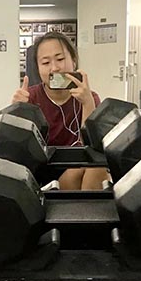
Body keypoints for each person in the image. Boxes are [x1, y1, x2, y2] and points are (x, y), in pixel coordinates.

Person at [11, 31, 109, 190]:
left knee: (96, 165)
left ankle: (86, 212)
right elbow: (18, 151)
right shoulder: (30, 97)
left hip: (79, 167)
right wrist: (16, 110)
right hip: (44, 175)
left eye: (60, 59)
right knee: (92, 167)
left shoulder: (89, 97)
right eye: (45, 62)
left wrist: (87, 104)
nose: (54, 68)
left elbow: (92, 149)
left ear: (74, 61)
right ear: (37, 67)